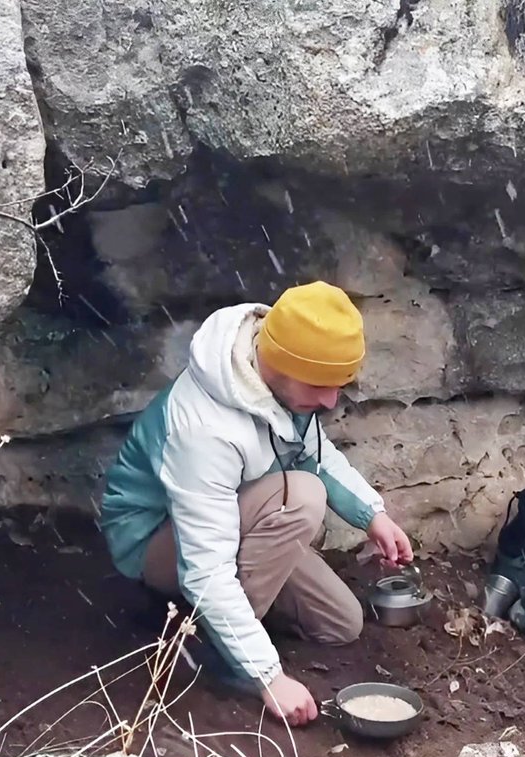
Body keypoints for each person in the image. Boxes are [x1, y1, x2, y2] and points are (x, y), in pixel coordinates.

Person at [99, 280, 414, 727]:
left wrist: (372, 515)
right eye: (320, 386)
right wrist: (268, 675)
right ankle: (217, 653)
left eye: (339, 385)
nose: (330, 401)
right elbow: (205, 567)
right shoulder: (202, 429)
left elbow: (315, 454)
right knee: (301, 497)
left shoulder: (286, 386)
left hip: (230, 522)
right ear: (280, 365)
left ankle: (223, 620)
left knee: (341, 624)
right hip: (156, 541)